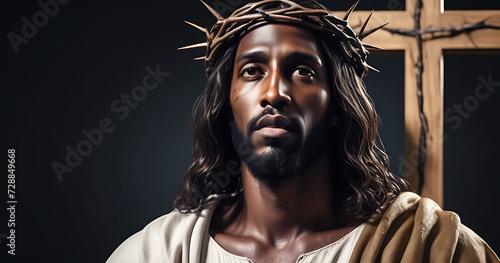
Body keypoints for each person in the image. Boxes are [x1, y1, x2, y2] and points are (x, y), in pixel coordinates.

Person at [107, 0, 499, 262]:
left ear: (335, 108)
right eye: (252, 71)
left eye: (302, 72)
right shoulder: (156, 253)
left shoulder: (427, 248)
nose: (274, 92)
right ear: (227, 106)